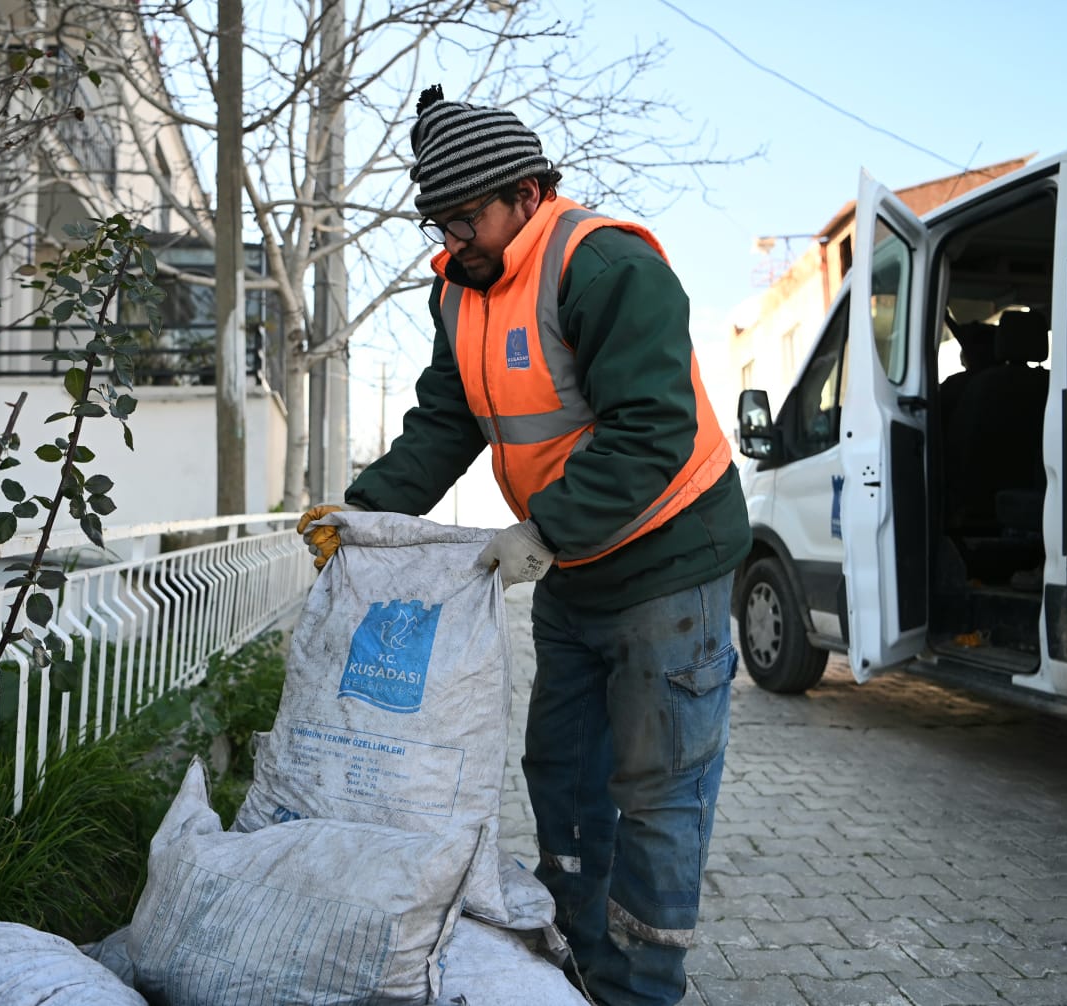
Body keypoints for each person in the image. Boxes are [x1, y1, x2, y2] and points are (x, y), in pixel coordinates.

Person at [296, 85, 751, 1006]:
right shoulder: (459, 293)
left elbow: (651, 431)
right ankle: (576, 966)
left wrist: (541, 532)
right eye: (438, 219)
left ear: (526, 192)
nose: (451, 237)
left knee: (656, 795)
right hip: (575, 575)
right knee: (564, 777)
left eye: (465, 216)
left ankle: (642, 989)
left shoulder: (606, 266)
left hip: (669, 570)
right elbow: (443, 421)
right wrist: (363, 518)